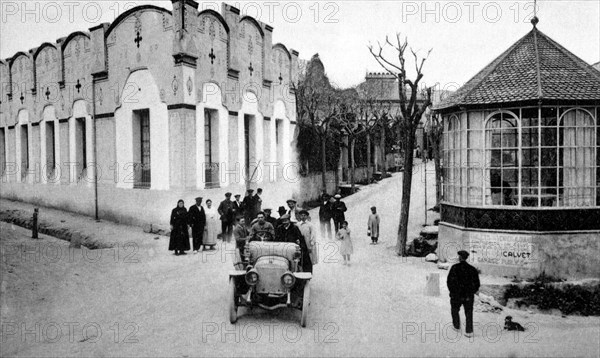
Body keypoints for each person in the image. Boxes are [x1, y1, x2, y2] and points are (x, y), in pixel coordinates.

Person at [447, 250, 480, 338]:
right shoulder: (472, 269)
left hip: (457, 295)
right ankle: (469, 331)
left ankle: (456, 326)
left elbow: (449, 282)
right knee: (469, 313)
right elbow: (477, 284)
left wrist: (452, 292)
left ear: (460, 257)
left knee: (454, 310)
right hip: (468, 296)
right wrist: (471, 292)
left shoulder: (454, 268)